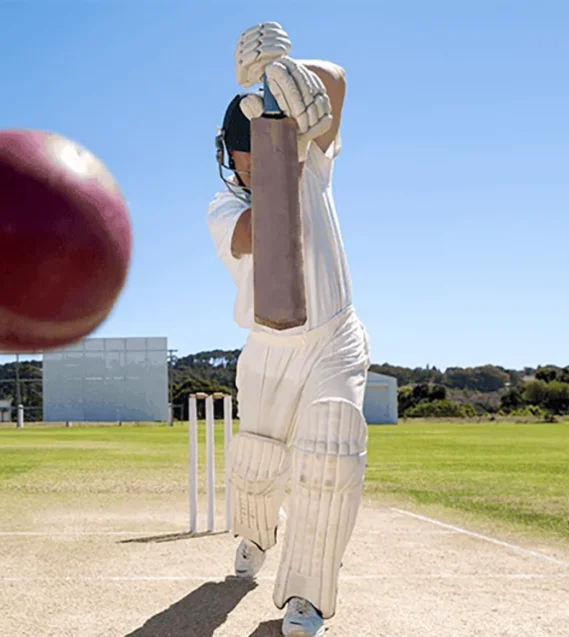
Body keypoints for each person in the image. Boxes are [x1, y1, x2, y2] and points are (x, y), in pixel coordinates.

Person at [206, 23, 371, 637]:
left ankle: (307, 598)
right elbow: (262, 231)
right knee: (257, 466)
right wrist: (281, 149)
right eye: (242, 155)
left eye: (250, 152)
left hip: (333, 334)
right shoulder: (224, 210)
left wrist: (285, 68)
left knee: (330, 450)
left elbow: (340, 84)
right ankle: (254, 534)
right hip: (267, 352)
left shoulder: (312, 164)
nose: (243, 166)